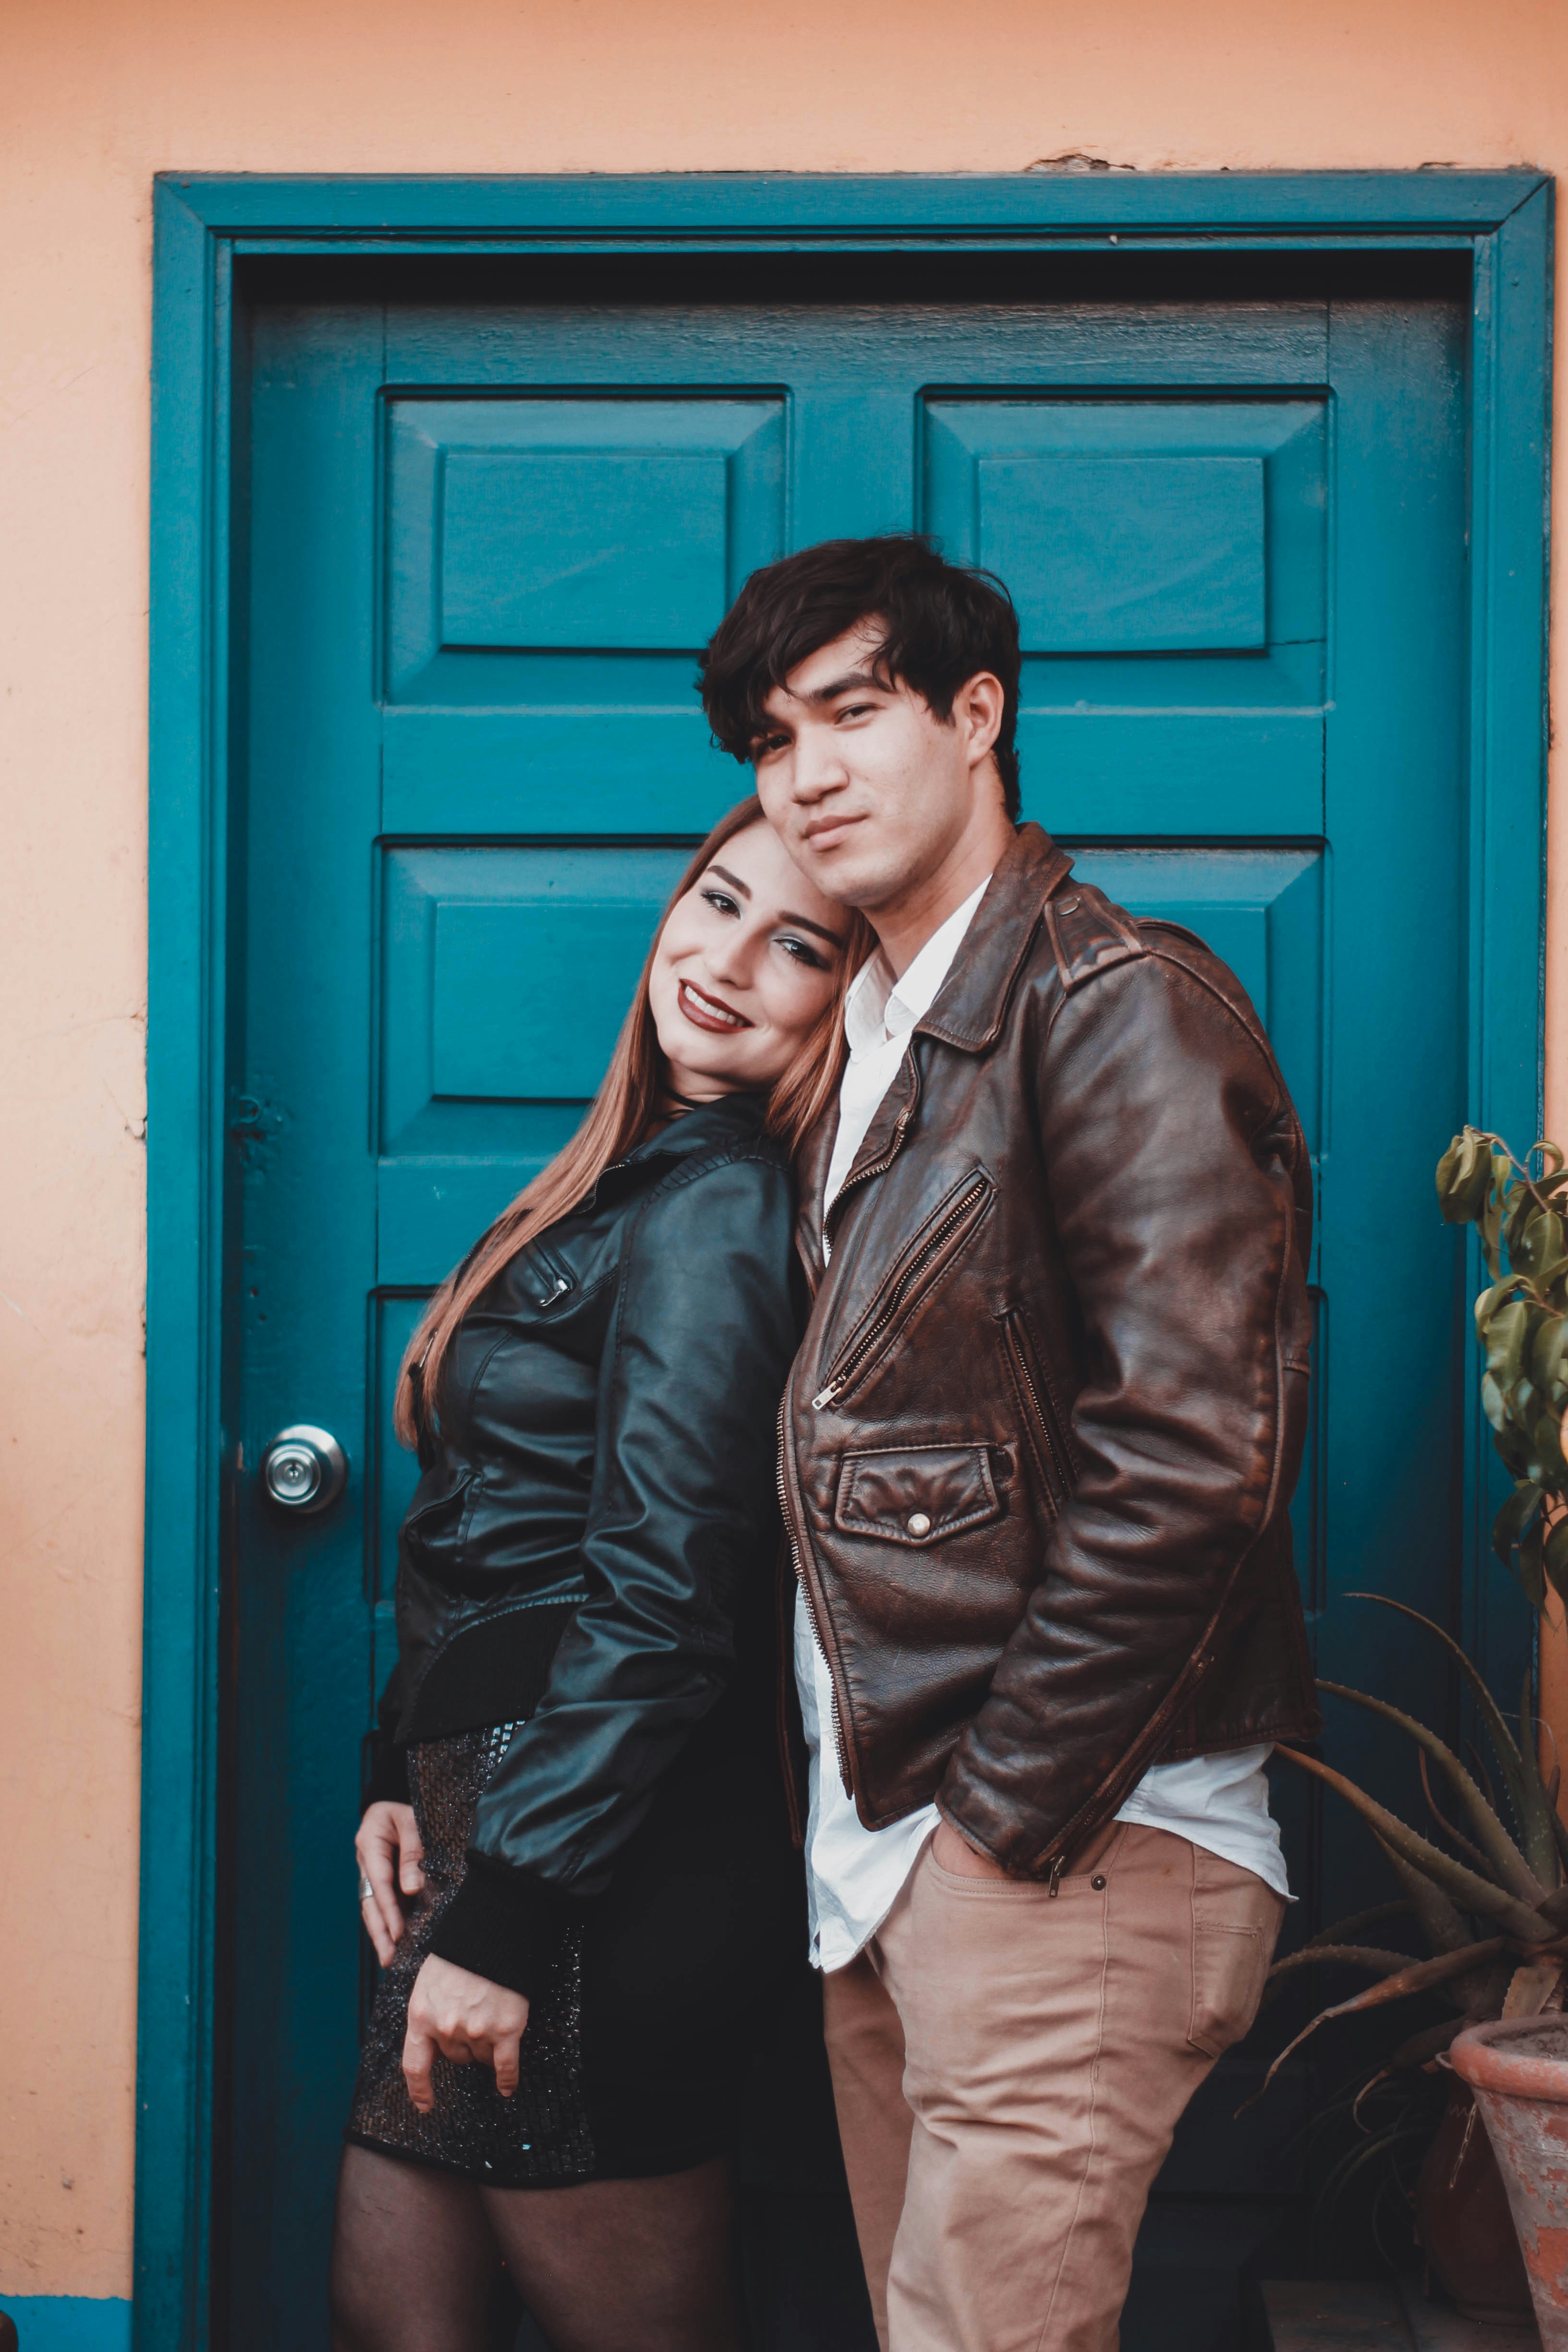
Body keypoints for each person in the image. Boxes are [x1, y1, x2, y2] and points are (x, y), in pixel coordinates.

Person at [699, 536, 1322, 2352]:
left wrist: (996, 1824)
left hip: (1065, 1847)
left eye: (850, 709)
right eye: (766, 735)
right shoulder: (885, 1034)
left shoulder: (1106, 1000)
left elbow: (1197, 1449)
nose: (802, 769)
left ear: (979, 716)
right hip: (907, 1853)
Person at [329, 798, 870, 2352]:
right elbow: (486, 1528)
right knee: (391, 2320)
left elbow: (665, 1593)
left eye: (798, 946)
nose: (725, 962)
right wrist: (394, 1765)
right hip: (490, 1825)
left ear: (846, 997)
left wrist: (505, 1916)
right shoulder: (620, 1183)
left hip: (588, 1861)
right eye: (713, 904)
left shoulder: (713, 1202)